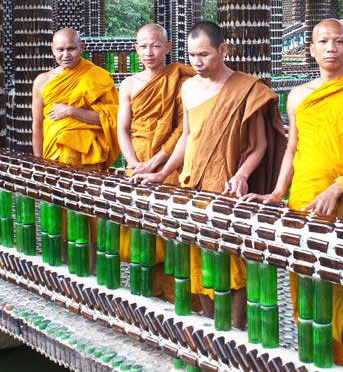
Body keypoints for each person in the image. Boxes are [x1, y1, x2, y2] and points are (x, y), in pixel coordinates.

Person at [244, 18, 343, 366]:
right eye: (323, 42)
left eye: (337, 42)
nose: (330, 48)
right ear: (312, 49)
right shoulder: (298, 96)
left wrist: (338, 189)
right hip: (304, 197)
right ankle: (317, 355)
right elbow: (293, 148)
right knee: (306, 277)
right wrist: (276, 194)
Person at [132, 20, 285, 326]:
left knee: (231, 262)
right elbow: (187, 138)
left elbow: (261, 145)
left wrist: (242, 175)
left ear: (222, 50)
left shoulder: (247, 89)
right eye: (192, 56)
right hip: (193, 184)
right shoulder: (188, 87)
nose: (197, 63)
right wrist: (162, 174)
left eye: (204, 55)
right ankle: (211, 332)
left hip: (227, 187)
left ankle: (236, 332)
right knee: (197, 259)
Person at [115, 23, 194, 300]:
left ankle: (179, 299)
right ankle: (145, 294)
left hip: (170, 163)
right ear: (136, 49)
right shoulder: (128, 84)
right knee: (141, 230)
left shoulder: (181, 81)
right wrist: (134, 162)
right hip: (136, 164)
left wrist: (157, 161)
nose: (149, 52)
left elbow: (184, 127)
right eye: (144, 46)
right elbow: (122, 129)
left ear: (168, 48)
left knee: (171, 230)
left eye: (156, 45)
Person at [31, 27, 119, 169]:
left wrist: (71, 111)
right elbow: (37, 124)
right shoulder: (42, 81)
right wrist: (38, 161)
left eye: (71, 49)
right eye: (60, 50)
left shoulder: (97, 77)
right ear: (52, 49)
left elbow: (111, 119)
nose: (66, 55)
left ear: (81, 47)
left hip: (89, 155)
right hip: (53, 153)